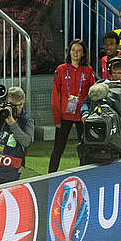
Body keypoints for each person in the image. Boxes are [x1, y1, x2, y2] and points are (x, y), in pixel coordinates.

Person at [50, 39, 97, 173]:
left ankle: (86, 173)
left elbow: (93, 92)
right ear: (69, 52)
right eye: (73, 50)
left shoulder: (88, 70)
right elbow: (55, 94)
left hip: (83, 115)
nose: (76, 53)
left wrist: (90, 114)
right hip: (65, 115)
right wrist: (57, 119)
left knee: (85, 147)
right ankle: (50, 175)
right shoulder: (61, 69)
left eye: (79, 51)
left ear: (83, 54)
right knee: (58, 147)